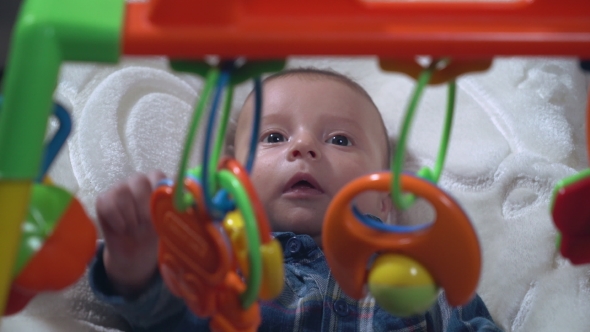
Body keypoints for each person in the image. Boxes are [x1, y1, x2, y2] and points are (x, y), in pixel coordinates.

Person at [89, 68, 502, 331]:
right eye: (274, 137)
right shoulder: (218, 258)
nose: (303, 147)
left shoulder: (423, 273)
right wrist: (136, 261)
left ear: (383, 199)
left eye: (339, 139)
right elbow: (163, 314)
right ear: (231, 177)